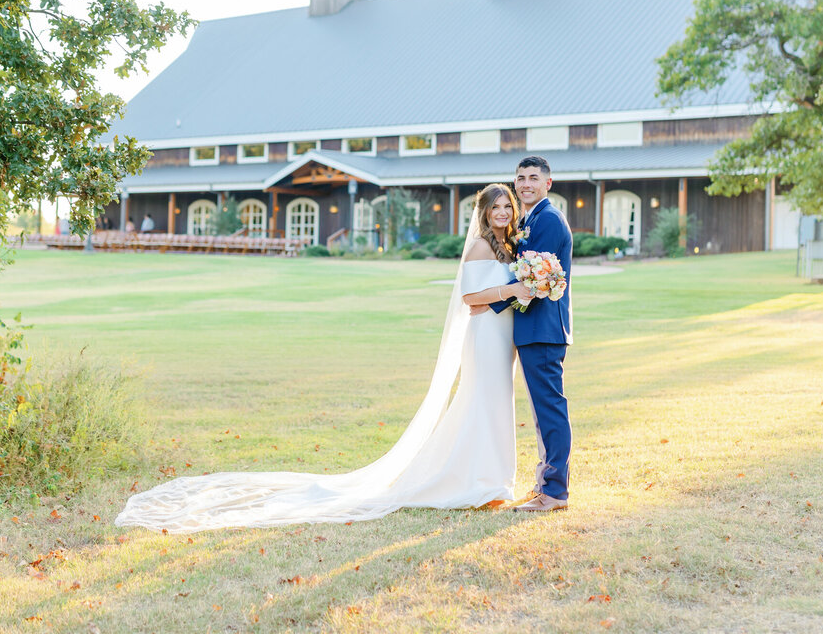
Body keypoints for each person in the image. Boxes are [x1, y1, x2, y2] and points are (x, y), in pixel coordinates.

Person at [114, 183, 533, 533]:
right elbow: (470, 298)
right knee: (480, 403)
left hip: (502, 337)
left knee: (497, 404)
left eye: (507, 207)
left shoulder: (507, 244)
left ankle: (493, 478)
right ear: (483, 212)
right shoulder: (480, 246)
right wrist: (512, 290)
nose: (502, 212)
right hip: (483, 336)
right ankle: (479, 481)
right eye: (495, 207)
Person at [485, 155, 573, 513]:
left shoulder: (548, 219)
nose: (525, 184)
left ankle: (554, 492)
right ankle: (544, 484)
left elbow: (534, 278)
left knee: (550, 411)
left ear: (547, 183)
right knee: (542, 412)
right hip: (533, 330)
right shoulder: (530, 218)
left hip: (543, 329)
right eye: (520, 178)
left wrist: (487, 301)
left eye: (533, 178)